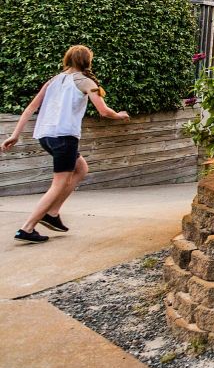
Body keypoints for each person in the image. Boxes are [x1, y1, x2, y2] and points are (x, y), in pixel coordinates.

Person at [2, 46, 129, 243]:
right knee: (58, 184)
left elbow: (30, 108)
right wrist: (119, 116)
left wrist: (15, 135)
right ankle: (27, 227)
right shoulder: (86, 82)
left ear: (68, 60)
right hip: (64, 138)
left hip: (46, 136)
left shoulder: (53, 80)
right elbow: (103, 111)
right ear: (87, 61)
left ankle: (52, 214)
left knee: (81, 168)